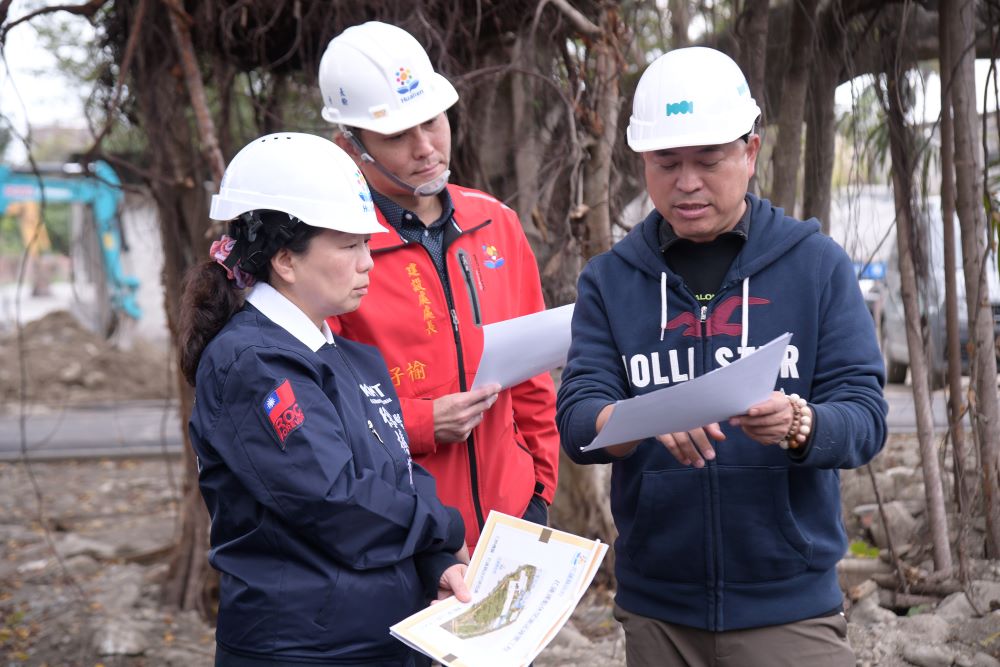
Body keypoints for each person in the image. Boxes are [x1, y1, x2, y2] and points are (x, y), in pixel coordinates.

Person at [556, 47, 888, 667]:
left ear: (751, 152)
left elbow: (867, 418)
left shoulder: (814, 267)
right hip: (658, 611)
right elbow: (578, 420)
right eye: (666, 163)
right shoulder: (612, 280)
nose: (686, 182)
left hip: (790, 609)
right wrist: (642, 417)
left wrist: (800, 424)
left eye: (708, 161)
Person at [178, 132, 470, 666]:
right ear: (286, 260)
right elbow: (335, 500)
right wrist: (443, 526)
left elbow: (397, 471)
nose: (368, 263)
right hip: (304, 650)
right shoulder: (253, 364)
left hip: (381, 638)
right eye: (349, 246)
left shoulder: (345, 356)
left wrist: (436, 561)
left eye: (367, 244)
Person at [316, 21, 560, 550]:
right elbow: (323, 411)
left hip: (513, 527)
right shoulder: (332, 252)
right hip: (406, 543)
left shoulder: (495, 222)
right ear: (349, 146)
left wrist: (539, 494)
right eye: (398, 135)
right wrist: (421, 423)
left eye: (432, 121)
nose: (426, 147)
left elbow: (534, 385)